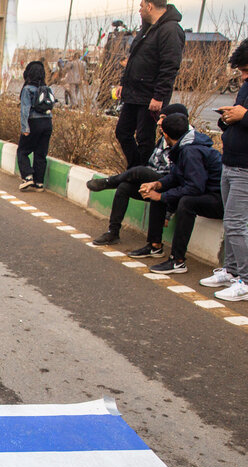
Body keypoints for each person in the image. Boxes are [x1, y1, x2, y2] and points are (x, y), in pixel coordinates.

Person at [87, 102, 189, 246]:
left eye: (163, 118)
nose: (159, 122)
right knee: (124, 187)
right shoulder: (164, 139)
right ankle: (113, 232)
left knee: (140, 170)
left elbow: (182, 180)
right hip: (154, 182)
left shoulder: (186, 145)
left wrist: (169, 212)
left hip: (168, 185)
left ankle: (109, 182)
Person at [135, 113, 224, 274]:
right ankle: (154, 246)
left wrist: (161, 197)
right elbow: (177, 175)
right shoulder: (185, 144)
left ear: (165, 135)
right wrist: (157, 184)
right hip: (209, 193)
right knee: (158, 191)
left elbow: (195, 187)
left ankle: (178, 260)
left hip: (221, 200)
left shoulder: (191, 151)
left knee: (186, 203)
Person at [201, 39, 248, 300]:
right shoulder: (245, 87)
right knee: (231, 224)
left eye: (245, 70)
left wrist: (243, 116)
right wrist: (227, 119)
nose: (242, 76)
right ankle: (231, 271)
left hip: (245, 168)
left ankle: (246, 280)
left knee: (236, 224)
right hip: (230, 161)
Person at [114, 0, 185, 169]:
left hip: (150, 97)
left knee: (145, 139)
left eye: (141, 6)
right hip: (133, 93)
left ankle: (142, 174)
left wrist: (159, 95)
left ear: (150, 6)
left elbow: (170, 66)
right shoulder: (146, 29)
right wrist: (124, 83)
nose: (139, 10)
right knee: (123, 132)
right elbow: (133, 60)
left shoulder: (171, 30)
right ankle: (135, 170)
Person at [17, 61, 53, 192]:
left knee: (22, 151)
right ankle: (39, 183)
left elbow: (25, 110)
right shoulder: (48, 89)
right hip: (47, 123)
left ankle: (27, 177)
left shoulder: (27, 89)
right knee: (40, 153)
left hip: (34, 123)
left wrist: (25, 128)